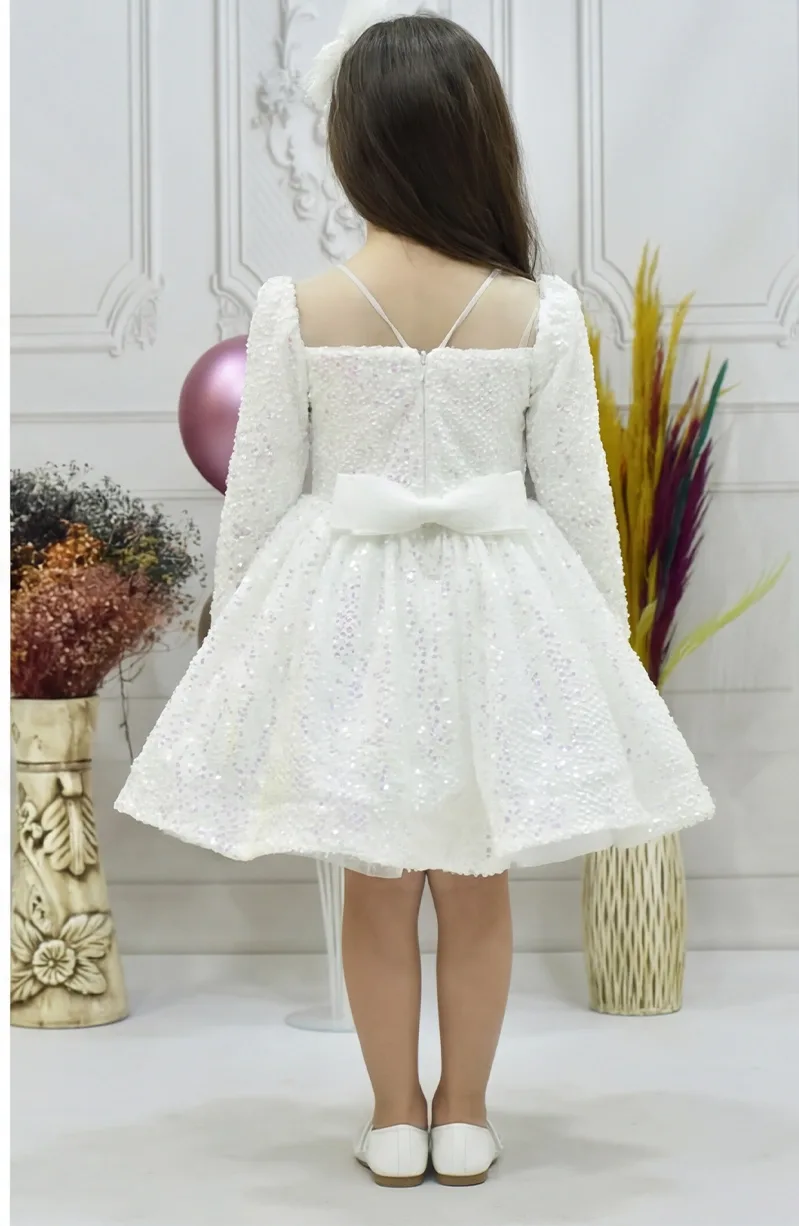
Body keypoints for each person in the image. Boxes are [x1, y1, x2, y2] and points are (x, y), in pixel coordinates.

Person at [116, 6, 714, 1190]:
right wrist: (602, 648)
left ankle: (394, 1118)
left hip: (349, 617)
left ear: (355, 145)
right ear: (477, 140)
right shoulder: (538, 310)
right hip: (499, 613)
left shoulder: (300, 306)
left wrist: (239, 634)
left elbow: (259, 496)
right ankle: (466, 1115)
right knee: (477, 878)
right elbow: (580, 501)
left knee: (378, 882)